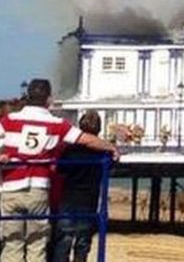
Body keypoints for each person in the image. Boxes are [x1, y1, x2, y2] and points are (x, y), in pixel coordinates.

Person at [0, 79, 118, 262]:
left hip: (10, 187)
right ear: (48, 99)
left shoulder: (8, 121)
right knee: (36, 243)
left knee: (12, 242)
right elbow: (86, 139)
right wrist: (110, 147)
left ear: (28, 97)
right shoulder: (55, 123)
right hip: (38, 188)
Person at [50, 111, 105, 262]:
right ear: (99, 129)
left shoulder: (70, 149)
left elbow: (59, 170)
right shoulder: (102, 152)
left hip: (68, 197)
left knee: (63, 240)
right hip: (89, 199)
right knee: (83, 241)